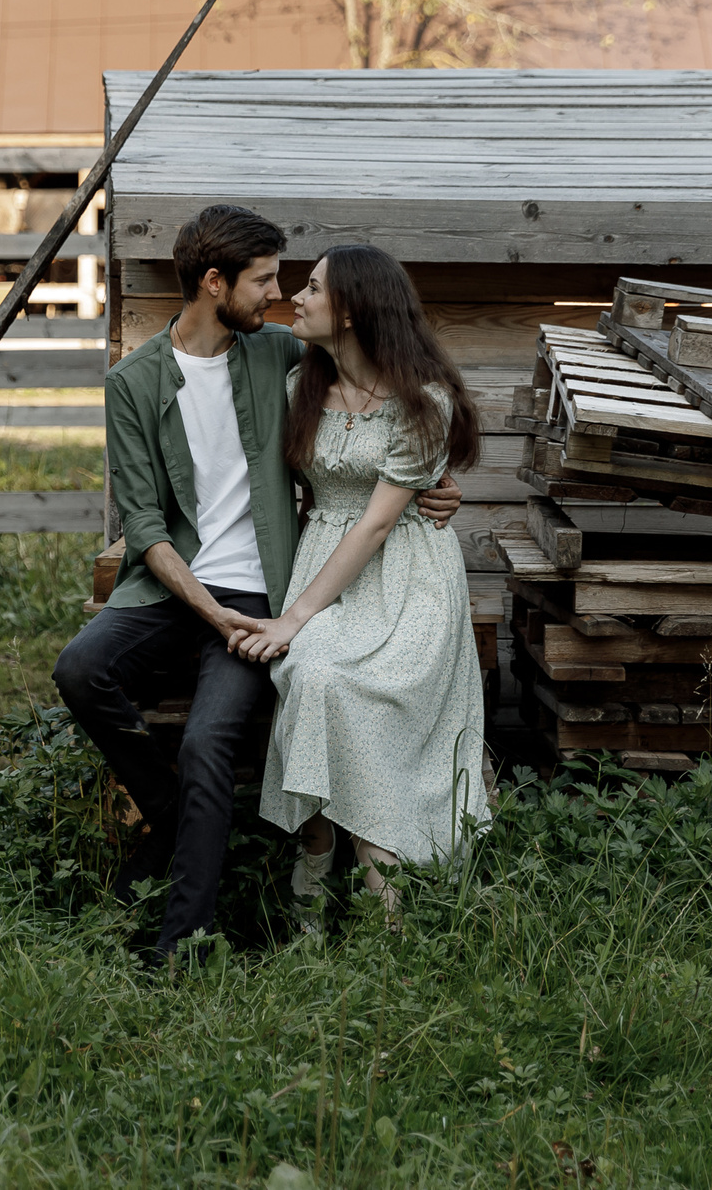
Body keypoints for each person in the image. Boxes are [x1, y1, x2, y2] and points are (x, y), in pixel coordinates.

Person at [53, 206, 462, 963]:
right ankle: (173, 814)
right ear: (214, 283)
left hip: (264, 592)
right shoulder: (133, 384)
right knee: (78, 667)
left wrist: (438, 486)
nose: (278, 296)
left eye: (289, 281)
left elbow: (388, 405)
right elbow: (144, 526)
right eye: (264, 279)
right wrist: (208, 612)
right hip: (177, 589)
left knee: (211, 739)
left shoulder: (279, 355)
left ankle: (186, 941)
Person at [233, 243, 492, 923]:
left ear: (349, 309)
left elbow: (377, 526)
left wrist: (292, 620)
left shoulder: (422, 402)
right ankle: (316, 868)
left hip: (407, 581)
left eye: (314, 288)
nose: (298, 297)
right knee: (314, 677)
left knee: (351, 691)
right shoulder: (301, 387)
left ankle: (379, 896)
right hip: (325, 567)